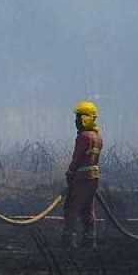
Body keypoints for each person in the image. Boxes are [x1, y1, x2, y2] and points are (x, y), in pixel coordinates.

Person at [61, 100, 102, 248]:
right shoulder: (97, 137)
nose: (76, 121)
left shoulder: (83, 137)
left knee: (71, 206)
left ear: (85, 119)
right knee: (87, 208)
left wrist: (70, 172)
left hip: (81, 179)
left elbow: (77, 158)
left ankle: (68, 238)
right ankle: (89, 238)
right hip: (93, 179)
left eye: (78, 117)